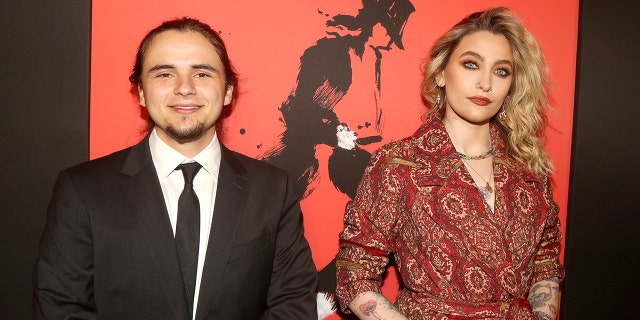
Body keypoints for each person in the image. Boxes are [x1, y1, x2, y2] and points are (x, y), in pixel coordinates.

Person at [33, 17, 317, 319]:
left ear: (228, 91)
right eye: (165, 74)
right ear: (141, 91)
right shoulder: (82, 189)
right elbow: (60, 307)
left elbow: (293, 305)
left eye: (202, 73)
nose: (184, 88)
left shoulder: (273, 189)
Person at [335, 7, 564, 319]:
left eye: (501, 71)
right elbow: (355, 271)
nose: (485, 83)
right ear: (441, 73)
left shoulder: (529, 168)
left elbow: (545, 263)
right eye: (471, 64)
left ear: (511, 86)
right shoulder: (401, 164)